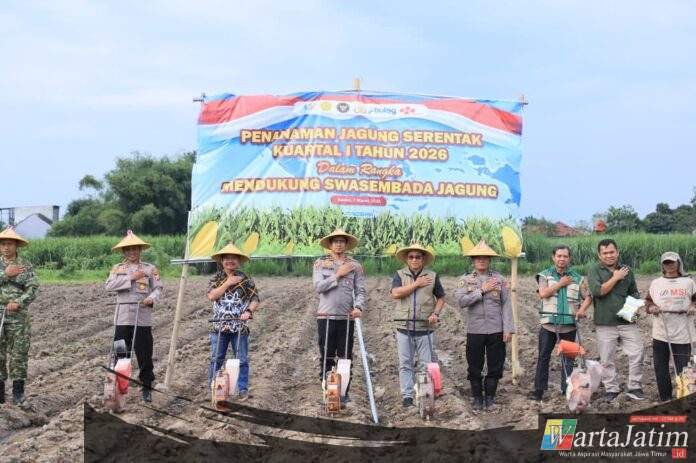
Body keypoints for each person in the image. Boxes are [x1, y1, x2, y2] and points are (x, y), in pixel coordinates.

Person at [455, 240, 514, 411]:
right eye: (478, 258)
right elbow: (461, 301)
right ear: (473, 260)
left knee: (496, 364)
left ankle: (490, 398)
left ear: (489, 260)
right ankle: (477, 398)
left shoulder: (499, 279)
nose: (481, 260)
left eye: (485, 257)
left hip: (496, 329)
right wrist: (481, 290)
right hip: (475, 330)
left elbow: (506, 305)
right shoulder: (465, 280)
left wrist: (508, 329)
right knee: (474, 365)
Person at [105, 230, 163, 403]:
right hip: (122, 319)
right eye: (128, 249)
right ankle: (119, 387)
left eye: (135, 248)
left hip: (142, 319)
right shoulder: (117, 269)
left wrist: (151, 298)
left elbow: (158, 288)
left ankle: (146, 386)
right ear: (124, 251)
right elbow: (109, 286)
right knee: (120, 353)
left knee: (144, 355)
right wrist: (131, 277)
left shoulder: (149, 269)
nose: (132, 252)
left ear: (140, 250)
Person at [530, 245, 592, 401]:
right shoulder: (545, 275)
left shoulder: (577, 278)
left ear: (569, 258)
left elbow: (588, 297)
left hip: (569, 325)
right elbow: (543, 293)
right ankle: (539, 390)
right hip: (549, 325)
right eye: (559, 256)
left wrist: (582, 309)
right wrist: (560, 284)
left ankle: (567, 389)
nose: (562, 259)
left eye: (565, 256)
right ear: (553, 257)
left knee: (568, 359)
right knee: (543, 357)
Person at [586, 238, 644, 401]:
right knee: (606, 359)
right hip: (605, 322)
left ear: (617, 252)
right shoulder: (594, 270)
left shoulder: (627, 270)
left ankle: (635, 387)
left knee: (637, 353)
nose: (609, 255)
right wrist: (616, 277)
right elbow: (598, 291)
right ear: (599, 255)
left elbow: (634, 293)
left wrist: (634, 311)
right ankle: (611, 389)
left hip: (627, 322)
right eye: (605, 253)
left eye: (611, 252)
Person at [312, 228, 366, 403]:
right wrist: (338, 274)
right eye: (335, 241)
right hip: (325, 316)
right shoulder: (321, 263)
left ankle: (343, 393)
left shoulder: (355, 266)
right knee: (327, 356)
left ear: (346, 244)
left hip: (346, 318)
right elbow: (318, 287)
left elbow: (360, 291)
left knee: (345, 357)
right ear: (330, 244)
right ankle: (327, 391)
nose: (339, 244)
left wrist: (358, 307)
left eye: (342, 241)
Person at [390, 244, 445, 408]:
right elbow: (395, 293)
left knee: (425, 365)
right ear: (407, 259)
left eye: (418, 257)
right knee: (405, 364)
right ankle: (407, 397)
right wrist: (416, 284)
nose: (414, 260)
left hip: (425, 328)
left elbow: (441, 298)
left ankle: (424, 396)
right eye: (411, 257)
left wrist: (435, 313)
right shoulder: (399, 274)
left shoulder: (432, 276)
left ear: (423, 259)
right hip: (404, 326)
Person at [207, 243, 260, 400]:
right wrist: (228, 282)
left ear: (238, 261)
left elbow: (255, 299)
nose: (230, 261)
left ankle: (242, 389)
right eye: (227, 258)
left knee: (241, 360)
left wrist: (248, 311)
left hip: (239, 326)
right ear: (222, 261)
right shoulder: (216, 278)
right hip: (219, 326)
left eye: (234, 258)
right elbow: (212, 296)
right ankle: (213, 387)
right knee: (216, 359)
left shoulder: (245, 279)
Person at [644, 252, 696, 402]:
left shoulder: (688, 282)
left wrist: (693, 306)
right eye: (666, 263)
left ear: (678, 263)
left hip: (683, 331)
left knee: (684, 367)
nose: (670, 265)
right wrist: (652, 308)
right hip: (661, 331)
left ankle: (685, 397)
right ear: (662, 265)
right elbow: (648, 302)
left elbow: (695, 300)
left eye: (672, 262)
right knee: (660, 367)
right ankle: (665, 398)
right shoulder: (656, 283)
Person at [0, 227, 39, 405]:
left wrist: (19, 302)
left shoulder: (25, 265)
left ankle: (18, 393)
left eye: (10, 244)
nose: (6, 247)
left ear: (16, 245)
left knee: (19, 354)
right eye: (3, 244)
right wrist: (5, 275)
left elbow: (33, 288)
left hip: (18, 316)